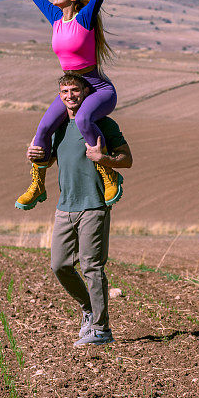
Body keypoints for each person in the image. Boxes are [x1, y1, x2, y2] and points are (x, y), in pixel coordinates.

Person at [0, 0, 145, 210]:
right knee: (42, 130)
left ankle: (108, 173)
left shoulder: (84, 18)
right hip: (72, 89)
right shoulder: (55, 18)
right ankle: (38, 185)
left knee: (84, 118)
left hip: (98, 89)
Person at [27, 71, 132, 346]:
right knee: (59, 265)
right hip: (65, 206)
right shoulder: (58, 127)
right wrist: (35, 155)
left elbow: (127, 159)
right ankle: (89, 310)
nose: (70, 96)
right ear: (59, 96)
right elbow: (47, 161)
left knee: (91, 266)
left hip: (95, 204)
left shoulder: (102, 123)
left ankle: (101, 329)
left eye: (75, 90)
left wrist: (104, 157)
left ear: (86, 92)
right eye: (64, 92)